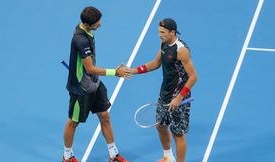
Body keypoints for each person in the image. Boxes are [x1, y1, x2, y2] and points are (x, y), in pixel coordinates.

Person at [63, 6, 131, 162]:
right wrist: (116, 72)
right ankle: (67, 156)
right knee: (73, 122)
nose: (100, 24)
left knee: (105, 116)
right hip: (81, 89)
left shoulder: (86, 30)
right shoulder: (80, 40)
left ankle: (113, 154)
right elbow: (90, 68)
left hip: (94, 83)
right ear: (87, 24)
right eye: (97, 22)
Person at [131, 18, 197, 162]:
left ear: (172, 32)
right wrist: (132, 70)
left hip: (180, 97)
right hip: (165, 94)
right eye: (159, 32)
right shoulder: (164, 44)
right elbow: (155, 64)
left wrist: (179, 98)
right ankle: (168, 157)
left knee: (178, 134)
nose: (159, 35)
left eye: (163, 32)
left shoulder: (181, 50)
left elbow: (193, 77)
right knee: (160, 126)